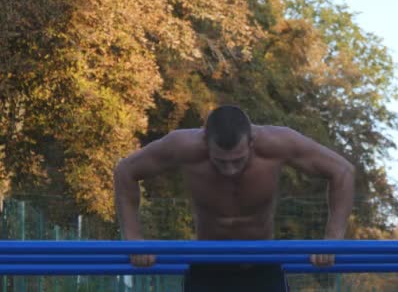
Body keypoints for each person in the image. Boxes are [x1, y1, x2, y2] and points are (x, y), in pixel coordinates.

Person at [113, 105, 356, 292]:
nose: (230, 170)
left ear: (251, 142)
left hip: (262, 265)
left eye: (238, 160)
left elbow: (342, 171)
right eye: (220, 161)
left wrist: (332, 240)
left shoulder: (279, 143)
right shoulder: (182, 146)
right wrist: (134, 240)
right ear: (204, 143)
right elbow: (126, 171)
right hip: (207, 265)